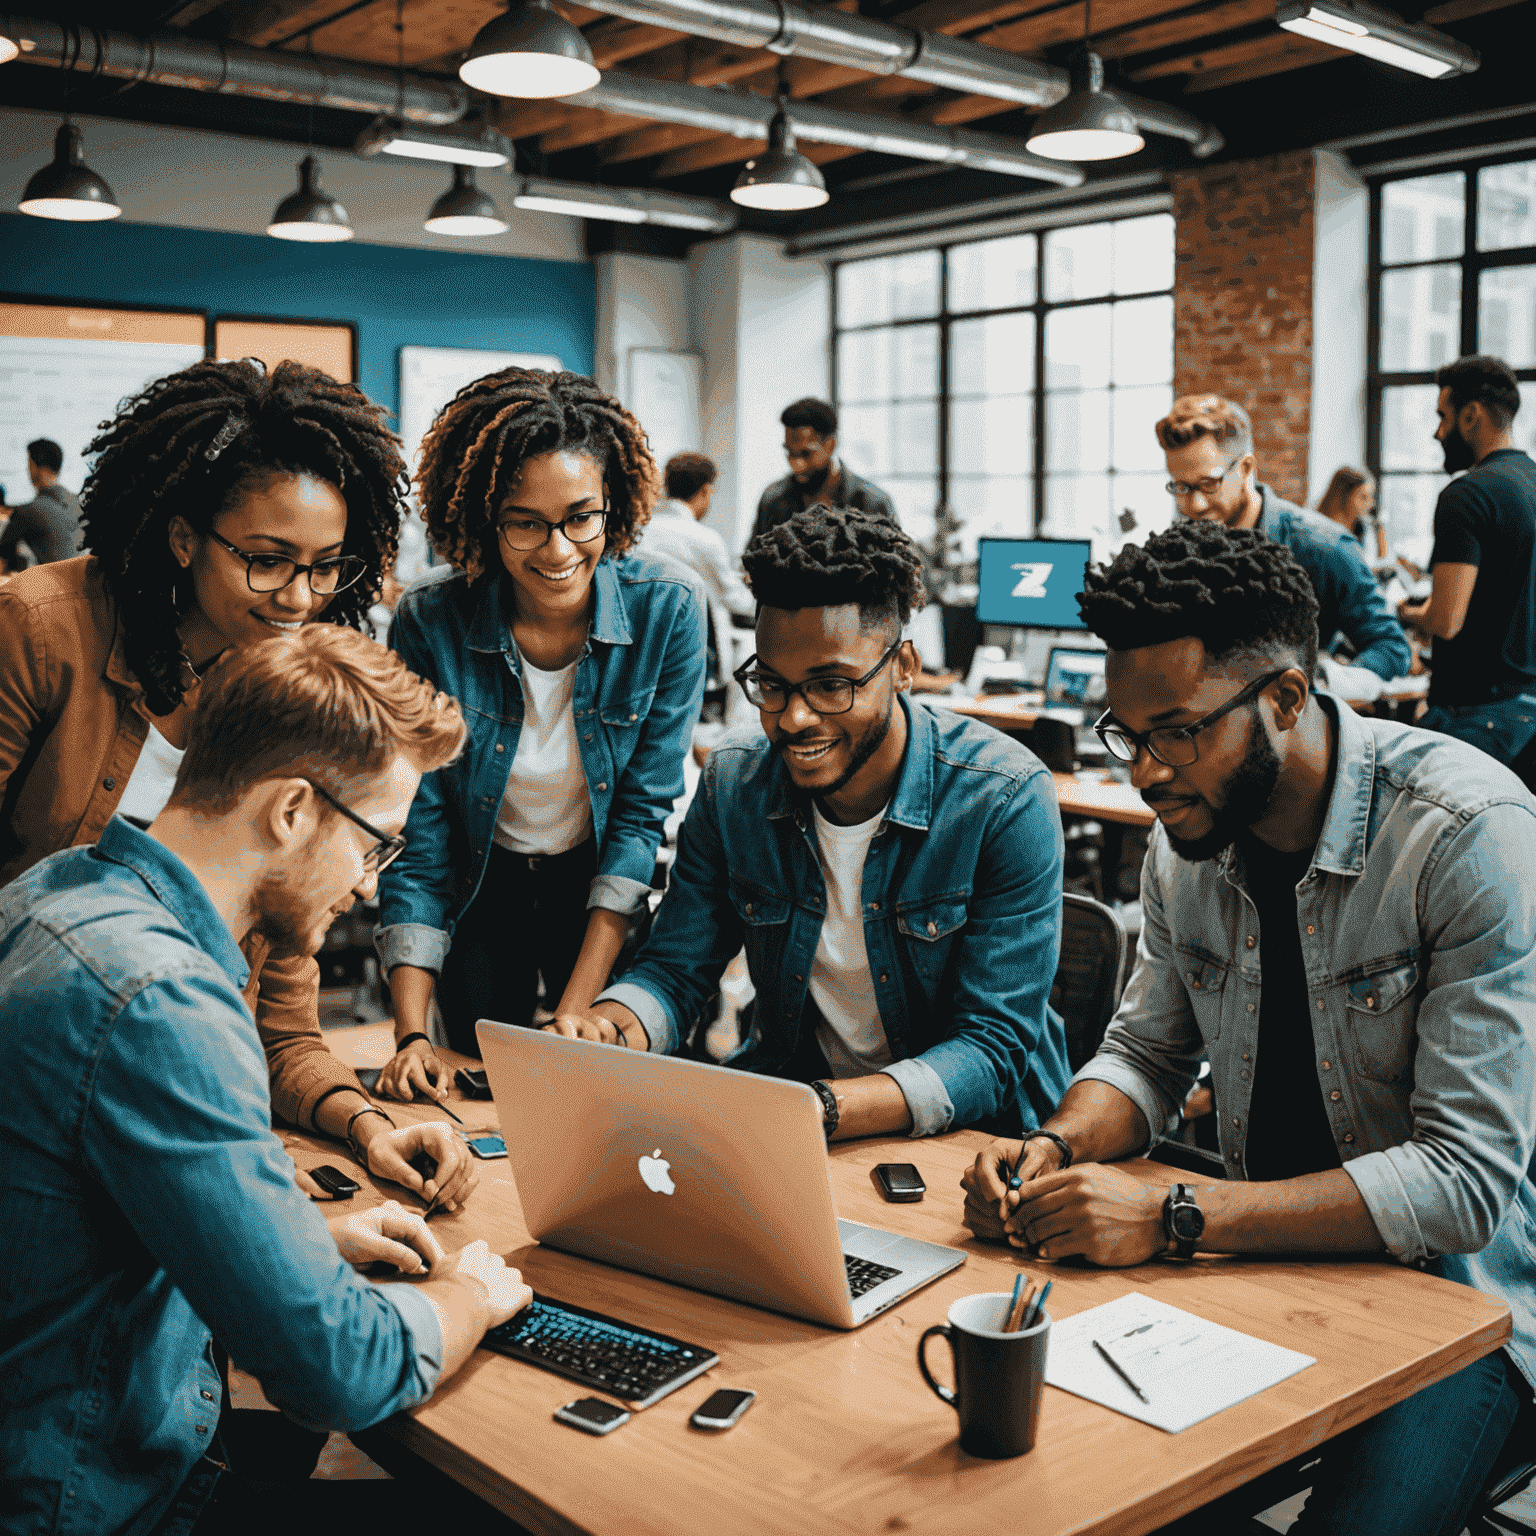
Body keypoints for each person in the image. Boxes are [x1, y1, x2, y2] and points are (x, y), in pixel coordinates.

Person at [960, 519, 1535, 1536]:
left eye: (1176, 733)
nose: (1145, 773)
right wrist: (1055, 1145)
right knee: (1055, 1493)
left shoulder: (1465, 836)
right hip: (1257, 1266)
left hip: (1462, 1310)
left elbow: (1463, 1184)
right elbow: (1144, 1054)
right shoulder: (1190, 848)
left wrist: (1176, 1217)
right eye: (1127, 737)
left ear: (1284, 695)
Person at [0, 625, 533, 1535]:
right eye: (376, 844)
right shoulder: (164, 1001)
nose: (370, 887)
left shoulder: (53, 893)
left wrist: (301, 1248)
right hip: (88, 1497)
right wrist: (470, 1294)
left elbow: (87, 1226)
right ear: (290, 809)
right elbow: (339, 1371)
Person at [0, 358, 452, 1200]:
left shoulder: (279, 702)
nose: (300, 598)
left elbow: (283, 1025)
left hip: (164, 1107)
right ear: (183, 537)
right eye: (269, 560)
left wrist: (367, 1125)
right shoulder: (39, 630)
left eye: (328, 567)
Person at [545, 506, 1072, 1141]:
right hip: (802, 1125)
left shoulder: (1003, 798)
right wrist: (611, 1027)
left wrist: (820, 1109)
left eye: (830, 686)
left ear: (903, 667)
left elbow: (991, 1049)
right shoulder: (736, 784)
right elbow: (674, 969)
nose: (792, 718)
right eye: (772, 684)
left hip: (976, 1147)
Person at [373, 368, 706, 1095]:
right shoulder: (431, 621)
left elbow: (642, 815)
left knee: (599, 1087)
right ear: (484, 520)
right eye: (525, 522)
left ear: (613, 507)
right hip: (478, 884)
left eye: (580, 517)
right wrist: (408, 1036)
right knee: (479, 1081)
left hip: (594, 889)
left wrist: (576, 1007)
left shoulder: (669, 610)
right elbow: (419, 830)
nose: (558, 550)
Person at [1157, 396, 1411, 682]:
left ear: (1246, 469)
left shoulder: (1324, 548)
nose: (1194, 505)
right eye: (1180, 486)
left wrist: (1318, 686)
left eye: (1208, 484)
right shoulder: (1180, 549)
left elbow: (1391, 649)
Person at [1400, 355, 1536, 768]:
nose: (1437, 431)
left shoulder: (1466, 495)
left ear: (1471, 416)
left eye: (1443, 416)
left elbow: (1445, 619)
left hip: (1474, 717)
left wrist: (1405, 613)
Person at [752, 397, 899, 544]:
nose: (796, 464)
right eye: (790, 452)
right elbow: (752, 560)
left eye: (806, 453)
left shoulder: (873, 504)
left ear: (831, 445)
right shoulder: (772, 500)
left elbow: (897, 563)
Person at [0, 437, 82, 567]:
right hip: (87, 582)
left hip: (56, 585)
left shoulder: (28, 511)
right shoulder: (80, 502)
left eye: (29, 464)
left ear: (34, 466)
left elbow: (2, 558)